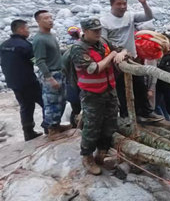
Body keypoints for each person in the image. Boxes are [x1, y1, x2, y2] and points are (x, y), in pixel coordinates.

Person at [69, 18, 127, 175]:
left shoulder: (103, 41)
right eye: (94, 31)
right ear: (85, 32)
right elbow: (94, 68)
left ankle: (102, 152)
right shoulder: (78, 49)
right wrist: (112, 55)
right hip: (92, 94)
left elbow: (121, 49)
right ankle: (87, 156)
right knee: (92, 125)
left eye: (99, 30)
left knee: (109, 122)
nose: (98, 33)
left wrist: (121, 53)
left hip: (109, 90)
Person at [101, 0, 162, 122]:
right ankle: (126, 115)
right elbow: (104, 43)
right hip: (117, 61)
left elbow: (148, 16)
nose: (123, 7)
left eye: (124, 3)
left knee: (140, 85)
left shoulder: (130, 16)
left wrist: (144, 3)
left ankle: (145, 112)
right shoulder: (105, 21)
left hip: (133, 58)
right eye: (119, 4)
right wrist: (116, 53)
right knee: (122, 89)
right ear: (112, 4)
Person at [0, 20, 44, 141]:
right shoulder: (24, 45)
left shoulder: (4, 45)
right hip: (28, 81)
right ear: (20, 30)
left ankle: (28, 132)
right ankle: (49, 127)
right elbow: (35, 60)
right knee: (44, 101)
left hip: (13, 82)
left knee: (25, 106)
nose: (28, 31)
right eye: (27, 29)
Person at [32, 10, 68, 141]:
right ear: (38, 21)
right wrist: (49, 77)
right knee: (51, 102)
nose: (50, 20)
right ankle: (51, 130)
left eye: (51, 17)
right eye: (46, 18)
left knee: (61, 101)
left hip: (59, 72)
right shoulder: (39, 39)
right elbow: (40, 60)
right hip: (51, 74)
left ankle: (56, 125)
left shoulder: (50, 35)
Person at [63, 26, 82, 126]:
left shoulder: (68, 49)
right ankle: (76, 125)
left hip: (71, 84)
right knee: (78, 107)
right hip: (75, 84)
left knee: (76, 108)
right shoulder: (79, 47)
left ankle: (75, 125)